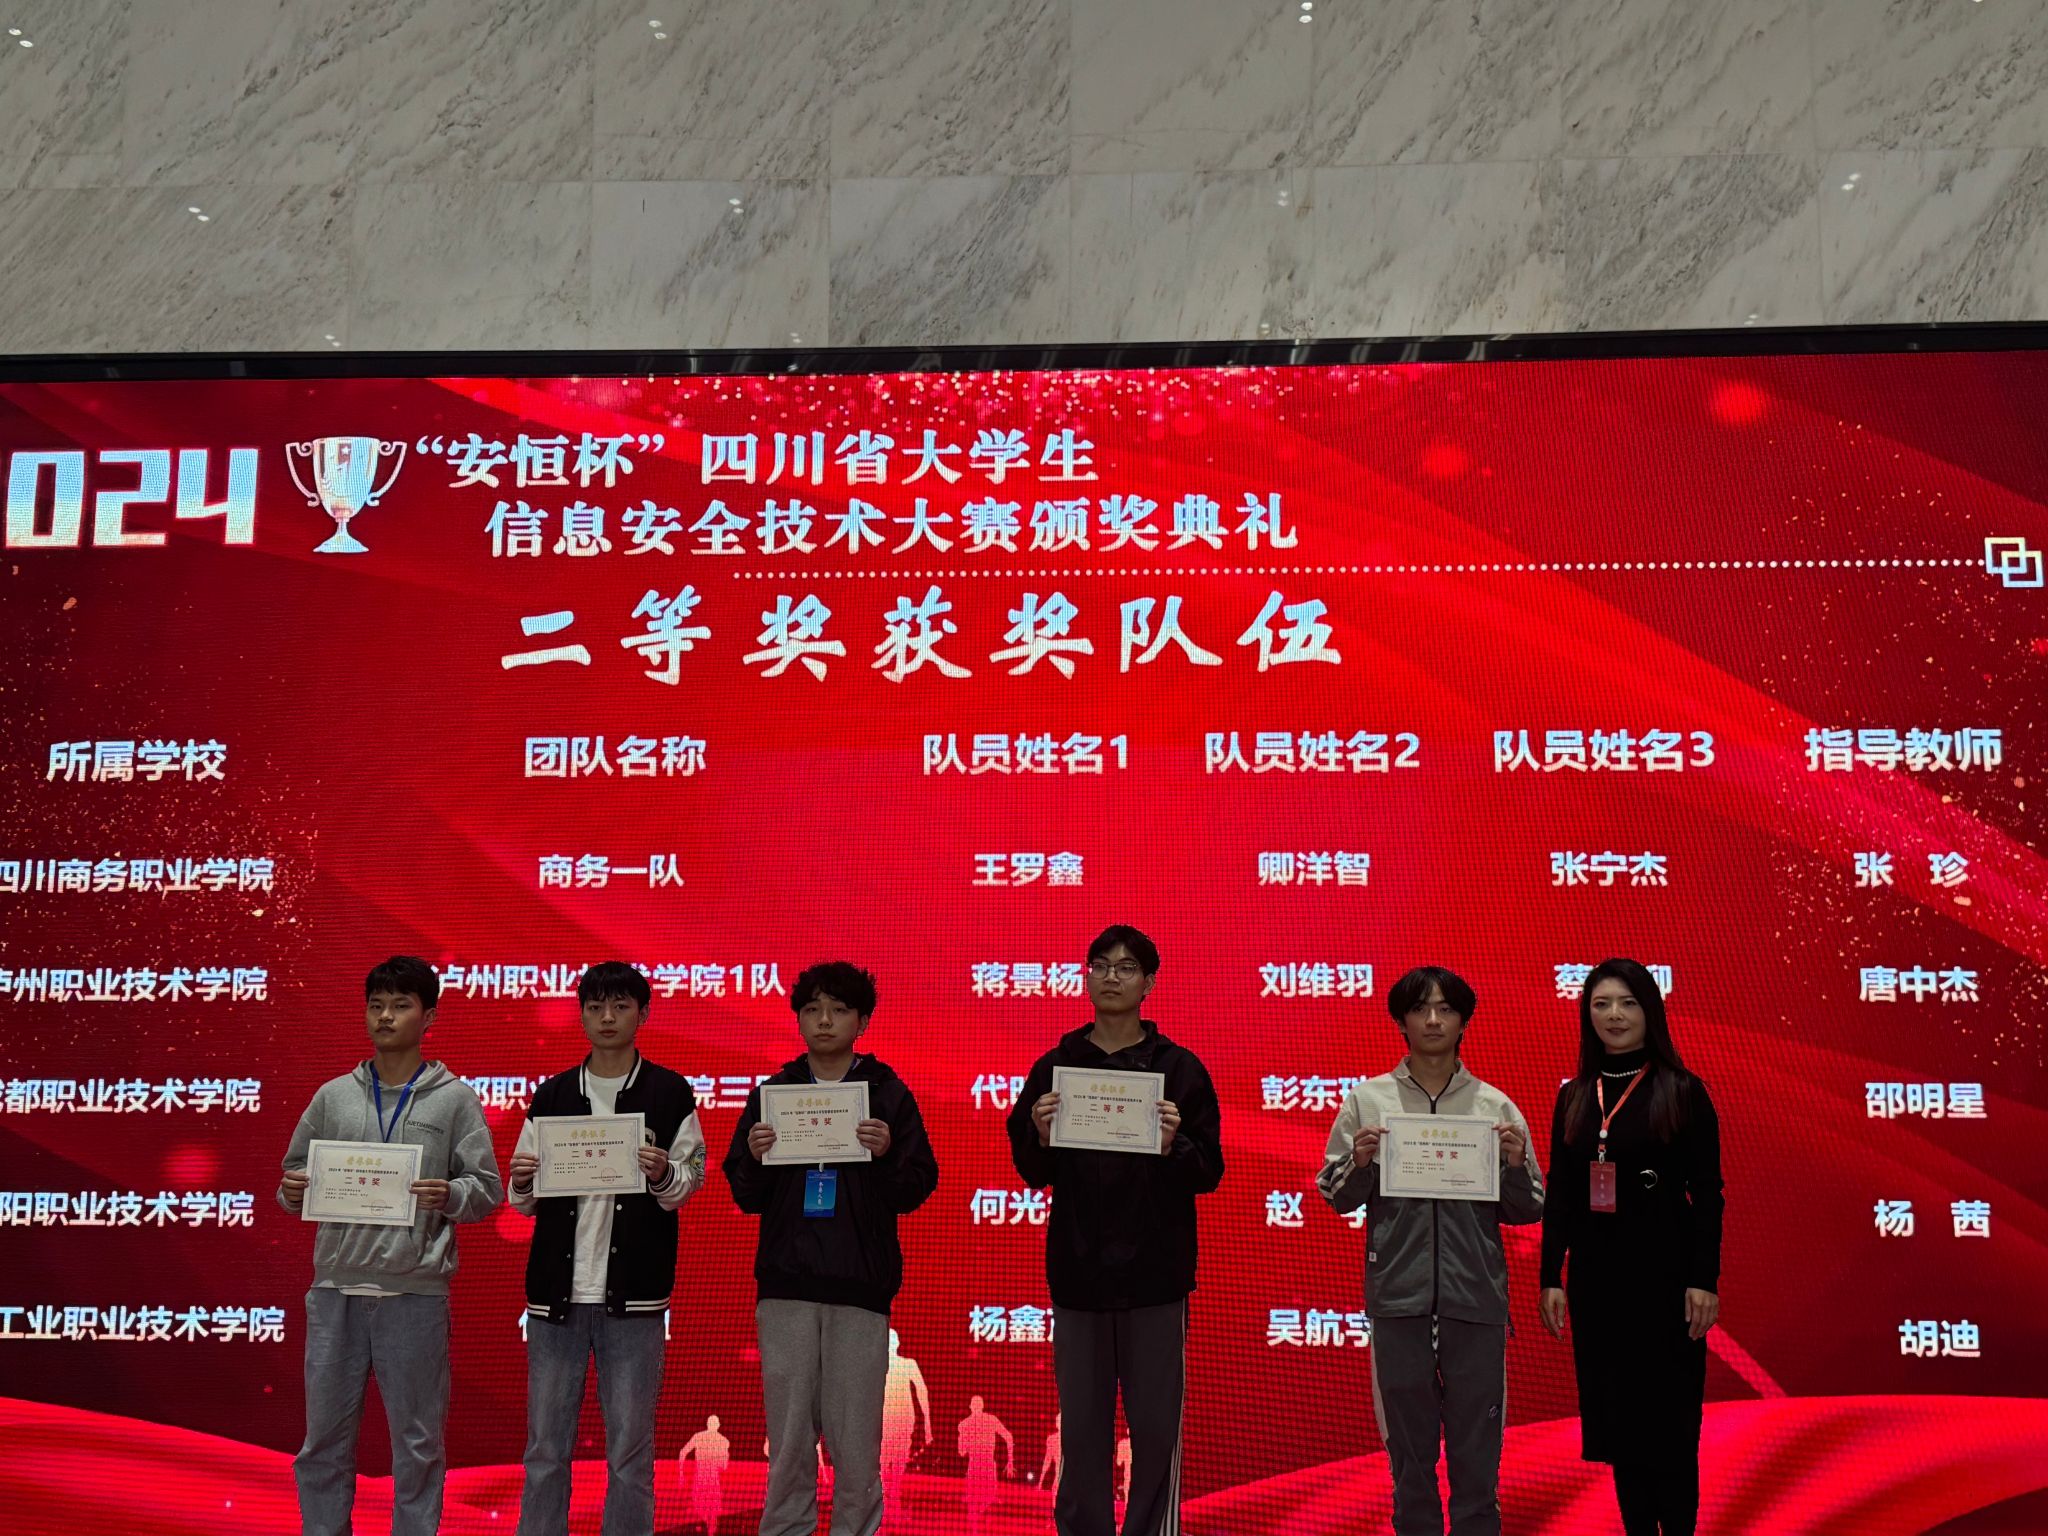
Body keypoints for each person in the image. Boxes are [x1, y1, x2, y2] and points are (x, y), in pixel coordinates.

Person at [1007, 924, 1225, 1536]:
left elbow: (1209, 1170)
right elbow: (1030, 1168)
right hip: (1078, 1274)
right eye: (1100, 965)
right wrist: (1041, 1135)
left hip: (1156, 1277)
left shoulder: (1179, 1069)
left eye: (1126, 968)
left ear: (1148, 983)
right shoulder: (1056, 1066)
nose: (1111, 977)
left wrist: (1174, 1145)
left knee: (1155, 1431)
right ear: (1086, 977)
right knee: (1081, 1431)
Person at [278, 955, 502, 1536]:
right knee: (323, 1444)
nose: (385, 1016)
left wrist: (449, 1194)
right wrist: (294, 1189)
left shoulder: (454, 1099)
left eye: (401, 1005)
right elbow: (292, 1180)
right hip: (335, 1290)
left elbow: (487, 1190)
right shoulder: (333, 1097)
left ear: (429, 1017)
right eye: (376, 1005)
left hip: (415, 1295)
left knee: (418, 1446)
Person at [1316, 965, 1544, 1536]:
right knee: (1410, 1463)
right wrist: (1360, 1164)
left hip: (1477, 1300)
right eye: (1421, 1009)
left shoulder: (1494, 1106)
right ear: (1402, 1021)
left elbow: (1529, 1207)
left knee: (1478, 1458)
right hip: (1399, 1300)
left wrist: (1515, 1166)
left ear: (1464, 1021)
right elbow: (1337, 1196)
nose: (1434, 1020)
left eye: (1446, 1009)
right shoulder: (1368, 1101)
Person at [724, 961, 939, 1536]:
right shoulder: (774, 1094)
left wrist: (887, 1153)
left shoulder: (888, 1094)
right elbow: (744, 1191)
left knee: (856, 1443)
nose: (824, 1020)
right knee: (789, 1440)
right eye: (813, 1009)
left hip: (859, 1288)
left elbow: (918, 1184)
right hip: (786, 1288)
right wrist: (756, 1157)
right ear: (798, 1018)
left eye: (839, 1010)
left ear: (862, 1021)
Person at [506, 960, 707, 1536]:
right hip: (555, 1300)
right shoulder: (552, 1095)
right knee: (545, 1451)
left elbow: (688, 1182)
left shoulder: (669, 1093)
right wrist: (523, 1180)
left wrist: (663, 1171)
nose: (607, 1018)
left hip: (635, 1302)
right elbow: (522, 1199)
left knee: (629, 1455)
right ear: (582, 1016)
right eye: (595, 1007)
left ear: (643, 1014)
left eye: (620, 1006)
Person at [1540, 959, 1723, 1536]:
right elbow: (1561, 1192)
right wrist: (1550, 1275)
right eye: (1601, 1004)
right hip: (1599, 1285)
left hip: (1667, 1283)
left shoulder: (1682, 1090)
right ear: (1586, 1014)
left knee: (1670, 1431)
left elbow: (1708, 1195)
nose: (1614, 1015)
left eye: (1627, 1003)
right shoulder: (1575, 1096)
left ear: (1650, 1011)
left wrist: (1704, 1280)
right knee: (1620, 1430)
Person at [879, 1328, 933, 1531]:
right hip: (884, 1420)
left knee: (898, 1460)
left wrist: (927, 1423)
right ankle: (886, 1500)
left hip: (902, 1420)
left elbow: (922, 1390)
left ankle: (893, 1497)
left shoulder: (908, 1364)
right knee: (884, 1461)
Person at [956, 1395, 1016, 1536]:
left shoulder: (981, 1421)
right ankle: (975, 1530)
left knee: (983, 1500)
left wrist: (1010, 1461)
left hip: (984, 1466)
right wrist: (1010, 1461)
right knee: (976, 1503)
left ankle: (978, 1526)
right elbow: (962, 1451)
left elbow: (1008, 1437)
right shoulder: (966, 1424)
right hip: (978, 1466)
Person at [678, 1415, 732, 1536]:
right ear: (718, 1425)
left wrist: (681, 1474)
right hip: (707, 1480)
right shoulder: (722, 1441)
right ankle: (708, 1527)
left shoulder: (703, 1438)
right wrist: (681, 1474)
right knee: (706, 1510)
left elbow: (682, 1452)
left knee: (708, 1511)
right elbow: (724, 1466)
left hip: (706, 1480)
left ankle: (709, 1528)